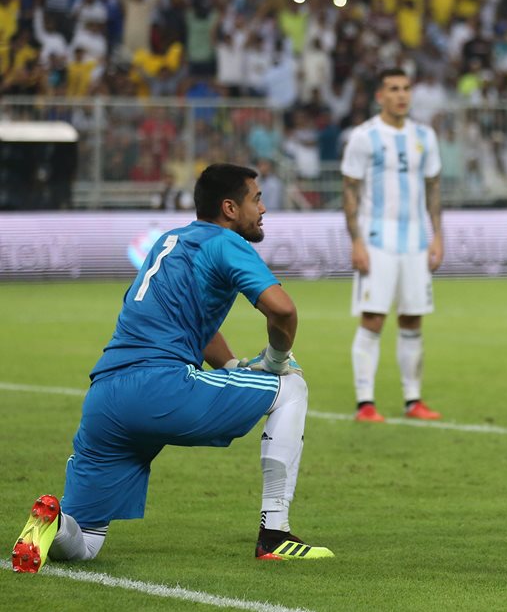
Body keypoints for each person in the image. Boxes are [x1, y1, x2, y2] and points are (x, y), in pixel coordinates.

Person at [11, 163, 333, 573]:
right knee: (290, 389)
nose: (264, 208)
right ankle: (276, 535)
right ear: (230, 208)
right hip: (159, 385)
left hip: (105, 397)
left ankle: (52, 523)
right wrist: (274, 362)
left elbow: (182, 320)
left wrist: (232, 365)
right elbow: (283, 311)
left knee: (85, 540)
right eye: (257, 199)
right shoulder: (225, 243)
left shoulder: (168, 242)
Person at [341, 68, 444, 422]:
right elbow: (350, 191)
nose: (401, 95)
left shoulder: (424, 136)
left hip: (415, 241)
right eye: (393, 89)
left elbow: (433, 187)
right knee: (373, 318)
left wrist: (438, 235)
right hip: (376, 240)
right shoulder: (364, 136)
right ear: (379, 96)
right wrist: (356, 241)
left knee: (413, 319)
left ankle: (413, 400)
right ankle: (364, 402)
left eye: (405, 89)